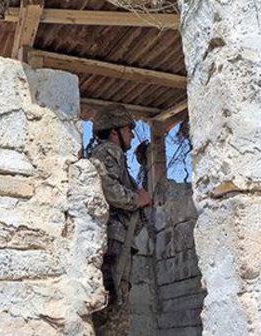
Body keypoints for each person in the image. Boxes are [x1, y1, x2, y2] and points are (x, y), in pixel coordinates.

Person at [89, 104, 152, 335]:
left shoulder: (114, 155)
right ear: (114, 132)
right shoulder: (108, 151)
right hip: (115, 242)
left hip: (119, 241)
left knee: (117, 300)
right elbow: (109, 189)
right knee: (113, 305)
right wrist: (137, 199)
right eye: (128, 129)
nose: (133, 134)